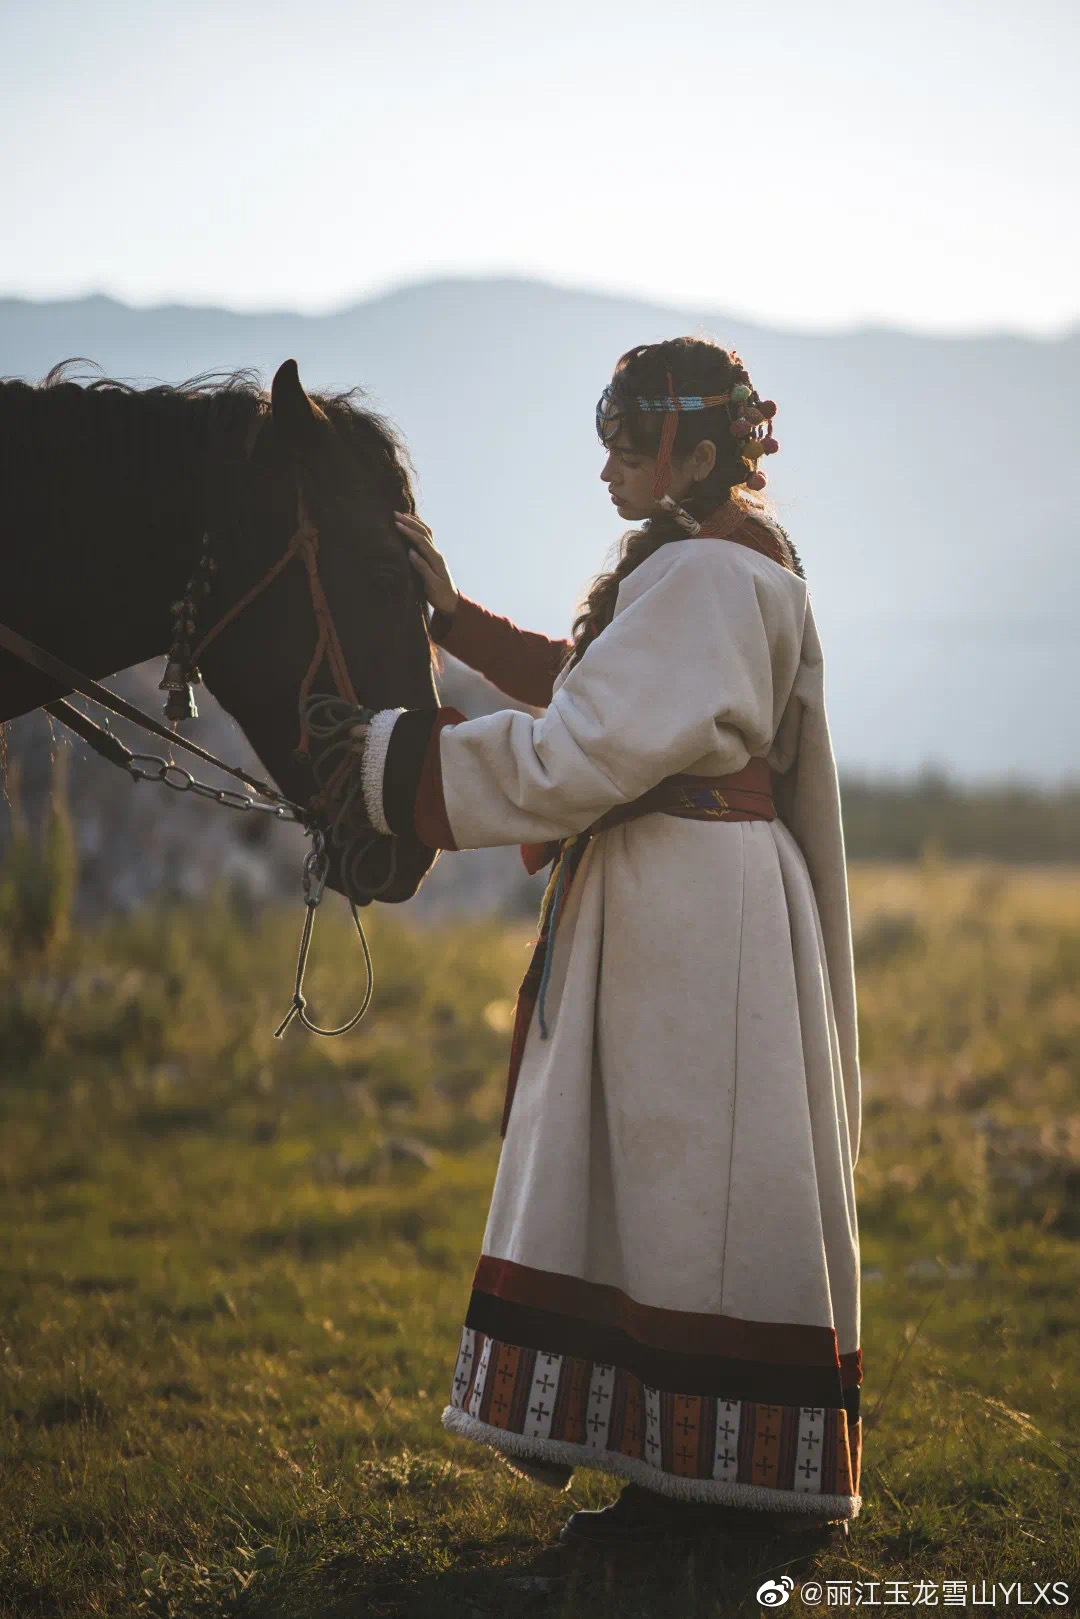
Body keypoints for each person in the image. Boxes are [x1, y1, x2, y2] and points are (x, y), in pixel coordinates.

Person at [342, 337, 862, 1547]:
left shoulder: (707, 580)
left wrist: (386, 766)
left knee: (693, 1185)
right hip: (688, 907)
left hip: (698, 921)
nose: (610, 464)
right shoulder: (716, 567)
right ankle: (675, 1477)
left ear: (691, 444)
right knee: (672, 1184)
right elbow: (599, 695)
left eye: (629, 439)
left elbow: (581, 750)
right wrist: (453, 618)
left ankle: (709, 1503)